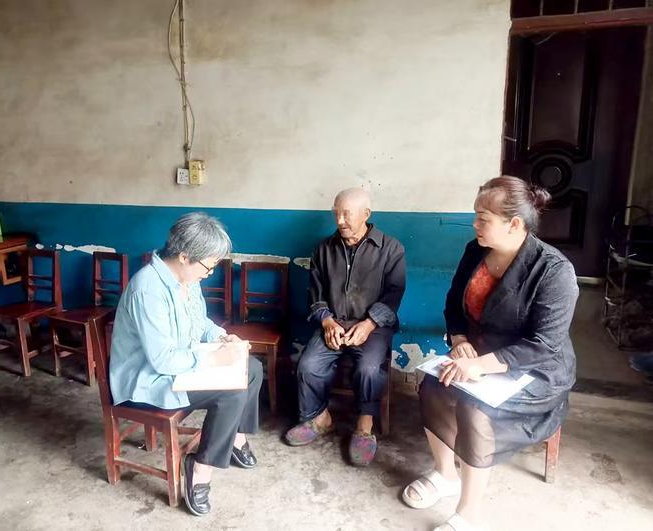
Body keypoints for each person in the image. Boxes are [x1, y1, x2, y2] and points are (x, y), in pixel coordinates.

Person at [402, 176, 578, 531]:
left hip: (534, 371)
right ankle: (445, 474)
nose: (474, 225)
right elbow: (453, 303)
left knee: (475, 407)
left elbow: (544, 344)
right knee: (433, 385)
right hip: (478, 356)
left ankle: (469, 512)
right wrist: (459, 340)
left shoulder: (553, 271)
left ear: (514, 224)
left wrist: (482, 365)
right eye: (475, 216)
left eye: (483, 218)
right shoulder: (475, 251)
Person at [109, 212, 262, 517]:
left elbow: (199, 322)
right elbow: (162, 360)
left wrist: (222, 338)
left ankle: (235, 436)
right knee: (231, 390)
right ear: (183, 256)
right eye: (209, 266)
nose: (210, 273)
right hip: (148, 380)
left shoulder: (186, 279)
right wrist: (212, 358)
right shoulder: (147, 289)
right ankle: (200, 468)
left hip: (178, 366)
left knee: (252, 367)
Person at [284, 187, 406, 466]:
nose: (339, 221)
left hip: (373, 326)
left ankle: (364, 426)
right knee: (308, 365)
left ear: (366, 214)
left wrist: (369, 324)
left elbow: (394, 295)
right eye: (336, 214)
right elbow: (315, 295)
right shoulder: (323, 249)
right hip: (334, 323)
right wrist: (327, 321)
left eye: (346, 214)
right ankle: (320, 418)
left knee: (369, 368)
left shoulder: (391, 249)